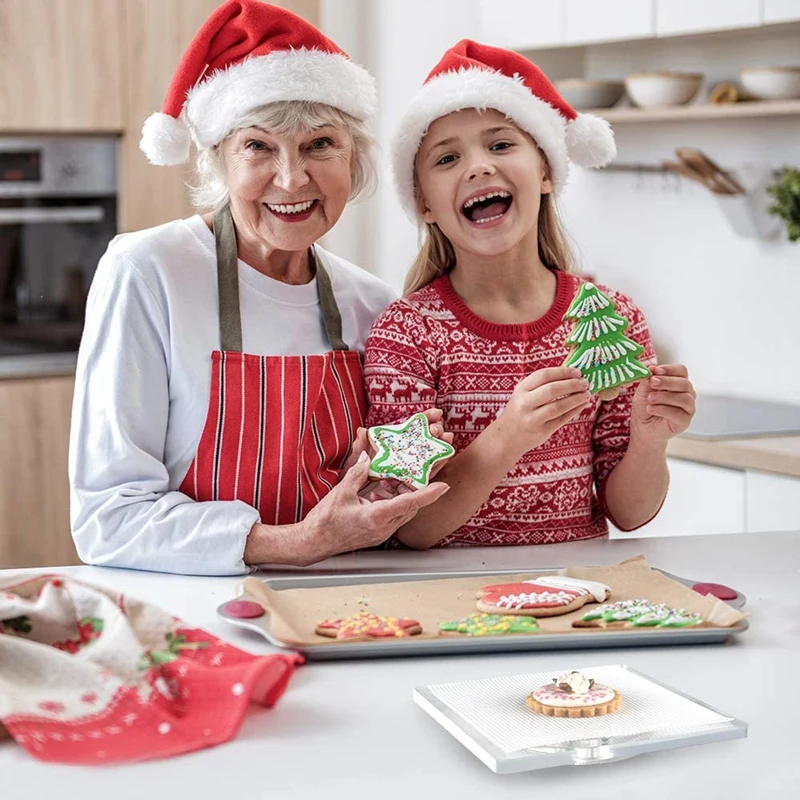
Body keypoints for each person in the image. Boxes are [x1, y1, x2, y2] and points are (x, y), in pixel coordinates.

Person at [68, 0, 449, 576]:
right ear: (219, 159)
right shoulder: (148, 271)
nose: (292, 178)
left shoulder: (373, 305)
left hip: (345, 606)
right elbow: (108, 518)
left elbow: (367, 503)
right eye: (258, 146)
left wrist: (385, 479)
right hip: (192, 607)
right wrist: (293, 543)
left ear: (354, 162)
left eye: (321, 144)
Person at [364, 40, 697, 549]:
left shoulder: (611, 318)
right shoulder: (407, 333)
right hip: (448, 599)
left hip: (577, 596)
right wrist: (508, 436)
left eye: (500, 145)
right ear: (425, 204)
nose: (478, 167)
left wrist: (651, 440)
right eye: (448, 157)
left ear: (545, 172)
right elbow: (411, 527)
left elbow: (630, 514)